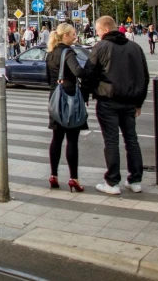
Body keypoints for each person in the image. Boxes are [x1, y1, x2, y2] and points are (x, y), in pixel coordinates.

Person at [85, 16, 149, 195]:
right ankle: (135, 180)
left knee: (111, 141)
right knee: (132, 140)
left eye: (97, 30)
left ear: (105, 30)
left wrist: (89, 93)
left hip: (108, 101)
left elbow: (89, 73)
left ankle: (112, 182)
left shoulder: (101, 47)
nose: (97, 34)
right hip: (130, 103)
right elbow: (144, 76)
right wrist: (139, 102)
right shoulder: (135, 47)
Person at [45, 23, 89, 192]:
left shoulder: (50, 53)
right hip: (69, 99)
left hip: (55, 98)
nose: (75, 36)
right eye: (72, 34)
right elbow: (78, 71)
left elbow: (48, 78)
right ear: (64, 36)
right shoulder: (68, 52)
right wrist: (91, 74)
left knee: (56, 139)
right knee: (72, 140)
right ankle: (73, 178)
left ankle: (53, 175)